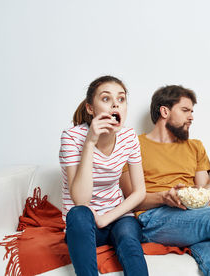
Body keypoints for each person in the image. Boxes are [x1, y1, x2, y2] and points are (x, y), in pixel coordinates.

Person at [120, 85, 210, 276]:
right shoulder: (133, 145)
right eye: (185, 110)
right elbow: (131, 199)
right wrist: (164, 197)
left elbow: (208, 199)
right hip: (153, 219)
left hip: (191, 217)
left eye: (192, 111)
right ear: (165, 111)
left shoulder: (195, 147)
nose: (191, 117)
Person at [59, 76, 149, 276]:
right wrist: (90, 142)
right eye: (106, 99)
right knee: (78, 214)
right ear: (91, 108)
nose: (116, 104)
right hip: (84, 223)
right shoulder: (72, 137)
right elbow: (80, 200)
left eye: (121, 99)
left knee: (128, 237)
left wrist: (106, 218)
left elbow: (140, 191)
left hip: (117, 216)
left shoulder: (129, 137)